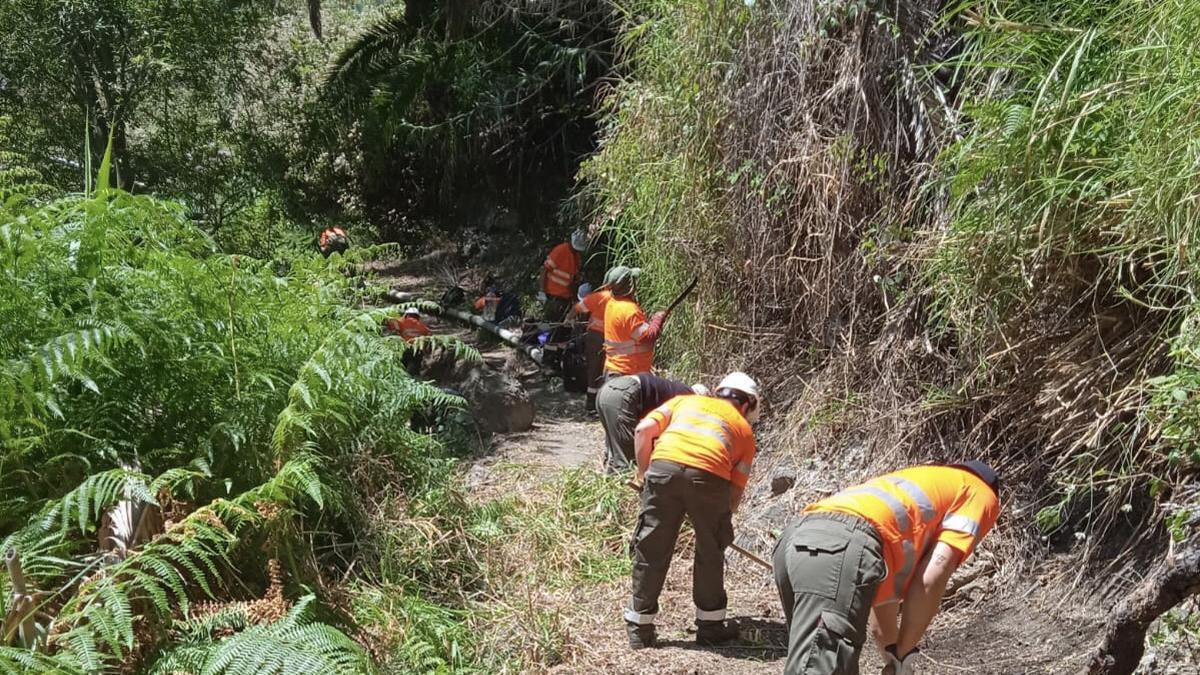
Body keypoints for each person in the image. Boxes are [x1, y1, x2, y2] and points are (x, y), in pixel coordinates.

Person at [772, 462, 1002, 675]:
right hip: (839, 547)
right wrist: (905, 653)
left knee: (815, 660)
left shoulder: (925, 483)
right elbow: (933, 576)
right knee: (820, 665)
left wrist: (893, 660)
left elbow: (883, 608)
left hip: (796, 539)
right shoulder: (980, 492)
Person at [624, 372, 761, 650]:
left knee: (652, 546)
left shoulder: (683, 402)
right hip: (711, 477)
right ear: (747, 405)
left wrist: (644, 475)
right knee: (710, 551)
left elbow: (643, 431)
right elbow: (734, 491)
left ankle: (639, 628)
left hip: (662, 467)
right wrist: (719, 523)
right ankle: (710, 627)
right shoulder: (744, 431)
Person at [595, 373, 705, 473]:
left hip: (608, 389)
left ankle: (609, 478)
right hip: (625, 392)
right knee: (628, 457)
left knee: (615, 447)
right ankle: (622, 486)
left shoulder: (675, 390)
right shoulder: (688, 397)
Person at [603, 266, 664, 378]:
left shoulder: (611, 303)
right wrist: (658, 319)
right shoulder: (630, 310)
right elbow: (649, 337)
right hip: (628, 373)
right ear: (629, 287)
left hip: (612, 369)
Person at [571, 282, 612, 414]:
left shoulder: (599, 296)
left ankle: (591, 403)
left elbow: (578, 307)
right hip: (612, 338)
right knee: (606, 369)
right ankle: (604, 402)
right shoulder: (621, 300)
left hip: (595, 337)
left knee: (593, 369)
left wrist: (568, 319)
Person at [539, 229, 587, 323]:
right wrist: (542, 291)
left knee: (560, 326)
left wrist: (574, 299)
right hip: (553, 296)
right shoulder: (560, 250)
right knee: (548, 324)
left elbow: (572, 280)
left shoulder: (577, 257)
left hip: (565, 298)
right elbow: (544, 270)